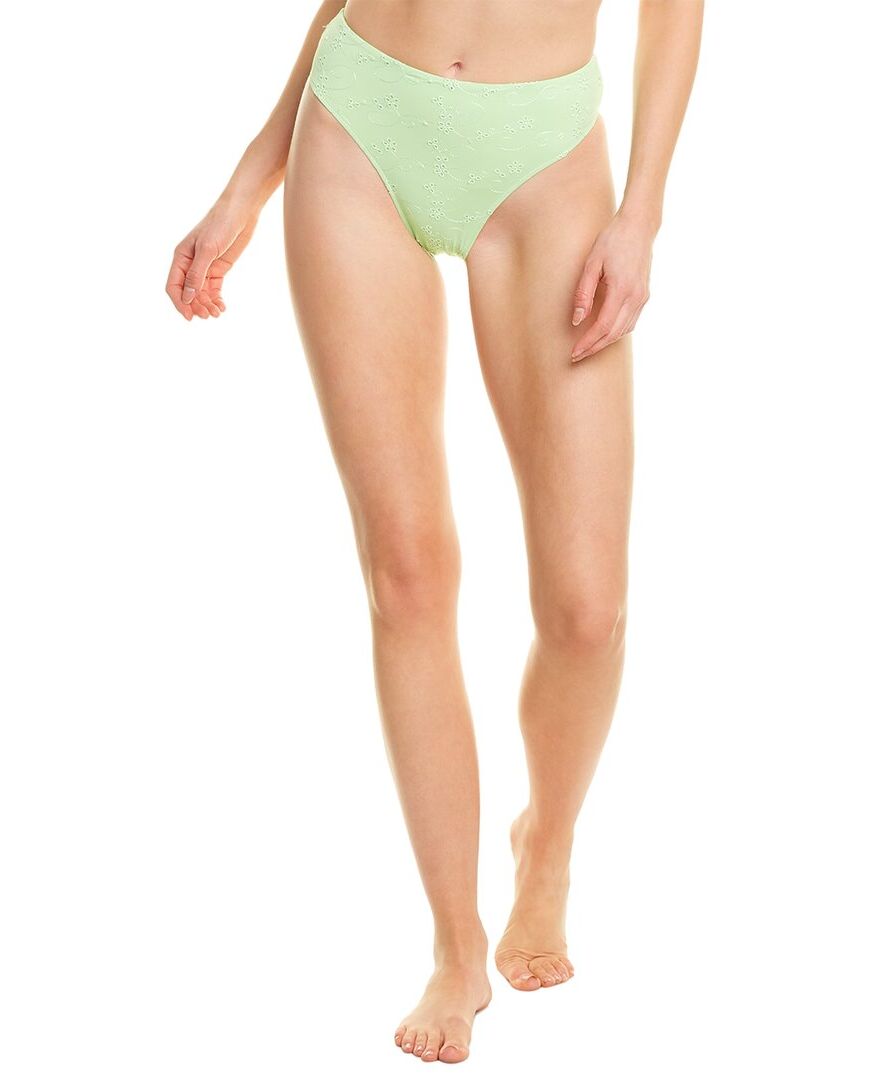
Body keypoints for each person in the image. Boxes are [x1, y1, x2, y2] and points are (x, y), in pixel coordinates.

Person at [165, 0, 703, 1064]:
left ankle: (544, 843)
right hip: (359, 125)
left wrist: (640, 211)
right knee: (406, 574)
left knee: (587, 609)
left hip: (544, 153)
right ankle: (456, 946)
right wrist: (250, 177)